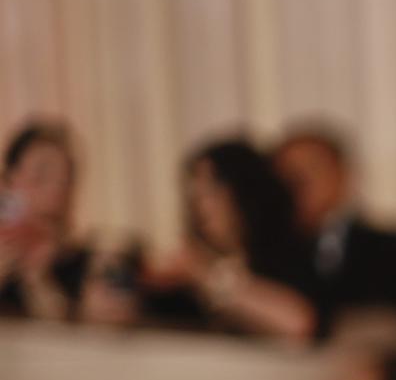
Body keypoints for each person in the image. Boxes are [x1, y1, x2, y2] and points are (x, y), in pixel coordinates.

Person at [84, 138, 318, 342]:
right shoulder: (180, 276)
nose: (199, 202)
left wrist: (204, 274)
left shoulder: (289, 256)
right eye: (194, 191)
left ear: (245, 191)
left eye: (212, 188)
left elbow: (297, 325)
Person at [273, 122, 396, 337]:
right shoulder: (269, 252)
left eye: (312, 168)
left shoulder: (391, 248)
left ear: (343, 174)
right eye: (287, 175)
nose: (300, 182)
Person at [0, 119, 92, 321]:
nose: (56, 187)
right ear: (9, 179)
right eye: (42, 174)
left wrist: (38, 281)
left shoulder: (87, 264)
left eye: (66, 177)